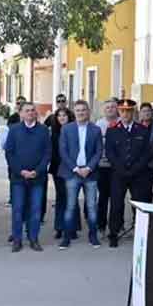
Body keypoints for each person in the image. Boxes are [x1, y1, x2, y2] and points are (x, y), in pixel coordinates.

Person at [105, 99, 151, 248]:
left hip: (138, 174)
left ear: (133, 112)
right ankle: (114, 233)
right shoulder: (112, 130)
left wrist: (135, 169)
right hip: (119, 174)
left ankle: (141, 233)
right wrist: (121, 169)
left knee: (139, 204)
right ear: (119, 112)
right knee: (116, 204)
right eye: (123, 111)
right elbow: (110, 153)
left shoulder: (142, 129)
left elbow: (146, 153)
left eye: (129, 111)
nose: (125, 114)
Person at [4, 102, 50, 252]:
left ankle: (33, 238)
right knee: (18, 209)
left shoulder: (43, 130)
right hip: (18, 178)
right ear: (21, 114)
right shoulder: (14, 130)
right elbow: (9, 153)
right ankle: (17, 240)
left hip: (38, 178)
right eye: (27, 111)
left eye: (32, 110)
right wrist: (21, 171)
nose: (30, 113)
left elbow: (47, 153)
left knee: (36, 209)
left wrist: (37, 171)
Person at [58, 100, 103, 249]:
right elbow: (63, 151)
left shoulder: (96, 130)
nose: (81, 113)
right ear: (74, 112)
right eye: (78, 110)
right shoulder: (67, 129)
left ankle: (93, 235)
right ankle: (66, 237)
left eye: (83, 110)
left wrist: (89, 168)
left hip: (90, 173)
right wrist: (76, 168)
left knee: (91, 206)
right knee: (70, 206)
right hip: (73, 173)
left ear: (88, 112)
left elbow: (98, 152)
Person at [95, 98, 120, 234]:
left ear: (117, 109)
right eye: (108, 107)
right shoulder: (99, 124)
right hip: (102, 166)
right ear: (104, 110)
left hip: (117, 167)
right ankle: (101, 225)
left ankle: (117, 225)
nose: (110, 109)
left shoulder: (121, 123)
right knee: (103, 197)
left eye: (113, 107)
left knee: (117, 198)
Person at [48, 107, 72, 241]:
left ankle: (72, 227)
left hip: (72, 169)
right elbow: (52, 152)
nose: (62, 118)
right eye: (59, 116)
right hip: (58, 169)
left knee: (71, 197)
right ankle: (59, 227)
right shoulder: (54, 132)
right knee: (61, 197)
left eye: (64, 115)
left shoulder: (74, 130)